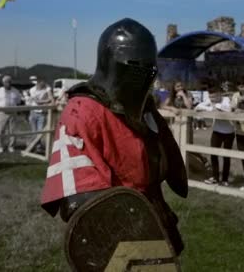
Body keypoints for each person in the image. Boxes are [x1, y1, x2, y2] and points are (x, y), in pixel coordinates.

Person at [40, 18, 188, 261]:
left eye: (149, 66)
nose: (145, 74)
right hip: (115, 236)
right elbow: (83, 200)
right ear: (112, 65)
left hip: (156, 221)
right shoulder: (82, 112)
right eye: (135, 65)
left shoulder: (145, 110)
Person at [197, 86, 234, 186]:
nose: (211, 99)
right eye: (210, 97)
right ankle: (215, 178)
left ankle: (225, 179)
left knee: (226, 156)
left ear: (219, 94)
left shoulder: (226, 100)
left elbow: (228, 110)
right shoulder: (210, 100)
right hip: (217, 131)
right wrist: (210, 108)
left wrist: (216, 107)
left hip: (229, 132)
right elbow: (198, 106)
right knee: (213, 154)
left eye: (213, 97)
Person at [0, 75, 22, 153]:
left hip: (13, 112)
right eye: (6, 82)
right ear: (3, 83)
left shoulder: (15, 91)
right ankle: (0, 146)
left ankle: (11, 146)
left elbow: (19, 101)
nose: (7, 83)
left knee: (12, 131)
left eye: (9, 82)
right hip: (1, 112)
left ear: (11, 82)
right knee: (0, 130)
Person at [28, 79, 53, 152]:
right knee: (34, 131)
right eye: (41, 84)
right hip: (33, 112)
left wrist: (45, 101)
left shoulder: (47, 87)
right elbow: (37, 101)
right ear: (38, 83)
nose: (43, 85)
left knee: (40, 131)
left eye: (44, 83)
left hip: (42, 113)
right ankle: (35, 146)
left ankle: (36, 146)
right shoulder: (32, 90)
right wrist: (46, 101)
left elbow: (51, 99)